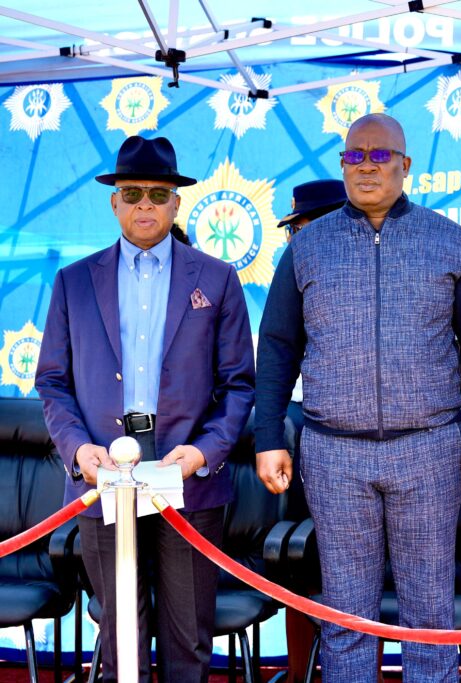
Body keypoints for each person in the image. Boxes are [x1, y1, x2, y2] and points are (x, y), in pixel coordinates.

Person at [254, 113, 461, 683]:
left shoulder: (448, 240)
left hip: (429, 450)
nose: (367, 166)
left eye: (380, 155)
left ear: (405, 164)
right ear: (342, 165)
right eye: (355, 156)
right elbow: (276, 347)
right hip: (334, 454)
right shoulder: (308, 248)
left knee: (428, 615)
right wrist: (269, 435)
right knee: (346, 614)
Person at [35, 136, 256, 682]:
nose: (144, 205)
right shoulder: (73, 283)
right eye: (131, 193)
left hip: (186, 475)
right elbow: (53, 383)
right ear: (114, 202)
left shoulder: (216, 279)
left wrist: (200, 454)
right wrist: (79, 450)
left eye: (158, 194)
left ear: (176, 203)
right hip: (103, 473)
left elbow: (239, 386)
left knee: (189, 641)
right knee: (118, 640)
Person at [271, 177, 348, 683]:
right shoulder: (295, 268)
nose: (297, 238)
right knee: (305, 570)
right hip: (309, 434)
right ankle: (303, 672)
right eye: (293, 229)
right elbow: (277, 350)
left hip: (383, 443)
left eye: (305, 226)